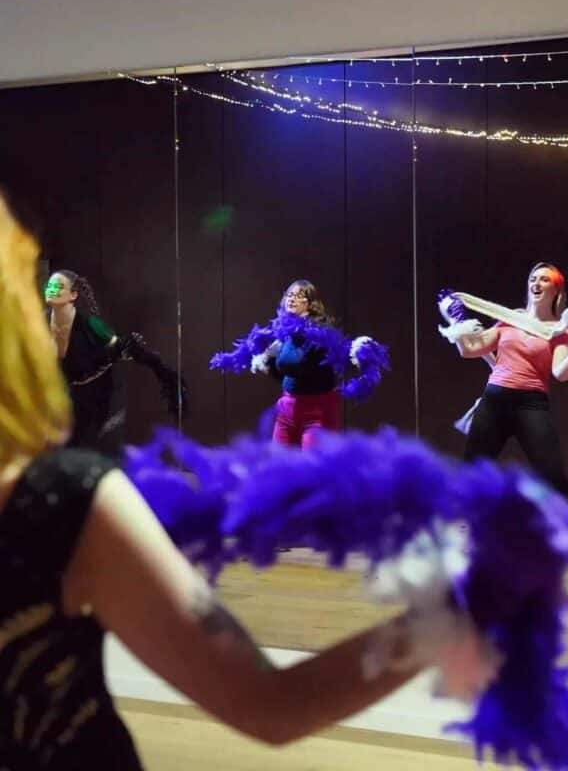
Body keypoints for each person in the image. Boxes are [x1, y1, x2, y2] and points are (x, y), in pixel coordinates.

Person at [0, 195, 426, 769]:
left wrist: (353, 355)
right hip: (288, 410)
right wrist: (450, 618)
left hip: (317, 408)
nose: (292, 303)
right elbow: (269, 704)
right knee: (281, 473)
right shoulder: (62, 496)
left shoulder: (63, 494)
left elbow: (332, 359)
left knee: (311, 474)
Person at [450, 262, 568, 564]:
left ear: (556, 290)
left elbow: (561, 373)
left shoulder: (558, 331)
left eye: (544, 279)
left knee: (552, 474)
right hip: (494, 401)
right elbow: (470, 350)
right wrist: (457, 322)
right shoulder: (509, 319)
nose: (537, 283)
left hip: (531, 404)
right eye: (533, 278)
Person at [45, 269, 185, 455]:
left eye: (58, 286)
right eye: (49, 286)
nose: (51, 290)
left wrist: (162, 372)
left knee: (93, 447)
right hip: (66, 395)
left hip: (102, 394)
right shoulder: (39, 322)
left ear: (73, 295)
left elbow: (122, 348)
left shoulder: (91, 324)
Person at [261, 280, 341, 449]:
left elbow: (294, 365)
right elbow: (285, 374)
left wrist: (272, 355)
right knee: (279, 461)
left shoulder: (319, 331)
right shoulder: (285, 330)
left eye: (298, 296)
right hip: (288, 406)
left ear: (310, 303)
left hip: (316, 410)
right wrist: (268, 362)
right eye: (289, 295)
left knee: (312, 464)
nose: (291, 299)